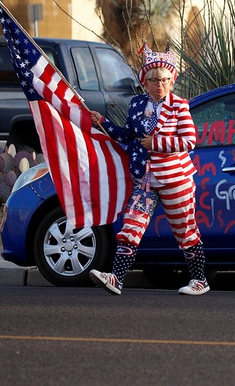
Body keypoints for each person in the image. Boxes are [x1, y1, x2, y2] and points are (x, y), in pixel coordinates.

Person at [88, 45, 208, 296]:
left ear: (173, 80)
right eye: (154, 80)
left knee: (185, 231)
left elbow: (189, 141)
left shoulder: (179, 106)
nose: (160, 85)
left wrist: (157, 144)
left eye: (165, 80)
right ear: (145, 81)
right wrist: (103, 122)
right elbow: (127, 136)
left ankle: (199, 280)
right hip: (145, 179)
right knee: (131, 226)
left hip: (176, 180)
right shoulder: (136, 105)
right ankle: (116, 278)